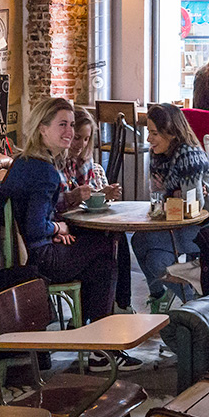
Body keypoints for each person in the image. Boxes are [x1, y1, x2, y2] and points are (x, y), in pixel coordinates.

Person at [1, 97, 139, 373]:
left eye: (72, 124)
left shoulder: (22, 162)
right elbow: (36, 227)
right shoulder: (45, 172)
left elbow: (30, 216)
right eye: (62, 124)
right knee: (106, 250)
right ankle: (100, 348)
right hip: (39, 259)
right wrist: (57, 228)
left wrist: (54, 227)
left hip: (16, 256)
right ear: (42, 129)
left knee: (101, 256)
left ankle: (92, 337)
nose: (70, 132)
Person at [131, 103, 209, 314]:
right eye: (149, 132)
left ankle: (192, 298)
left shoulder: (189, 154)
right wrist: (174, 197)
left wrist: (174, 198)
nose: (148, 138)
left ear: (172, 133)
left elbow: (193, 206)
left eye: (154, 133)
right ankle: (166, 296)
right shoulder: (159, 155)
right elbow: (157, 198)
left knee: (146, 243)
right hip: (180, 223)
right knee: (146, 246)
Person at [56, 107, 135, 318]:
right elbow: (58, 201)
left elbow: (87, 192)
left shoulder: (83, 159)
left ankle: (119, 304)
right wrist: (74, 197)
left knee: (117, 237)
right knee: (107, 248)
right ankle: (97, 314)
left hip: (80, 220)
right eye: (77, 137)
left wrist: (103, 193)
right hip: (62, 227)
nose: (80, 144)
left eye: (86, 139)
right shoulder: (54, 162)